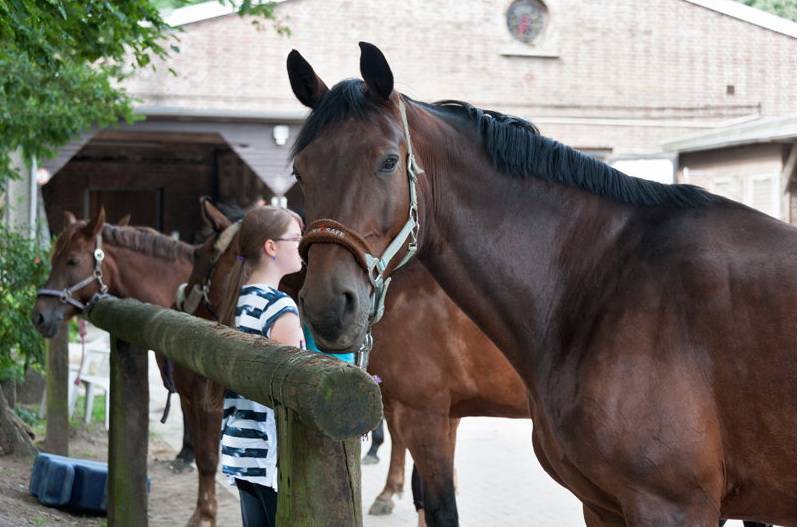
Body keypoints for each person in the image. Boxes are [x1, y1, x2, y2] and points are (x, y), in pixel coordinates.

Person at [218, 206, 304, 527]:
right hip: (270, 452)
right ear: (271, 247)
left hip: (240, 446)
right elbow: (293, 385)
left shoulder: (237, 299)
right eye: (296, 238)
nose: (302, 245)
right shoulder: (278, 305)